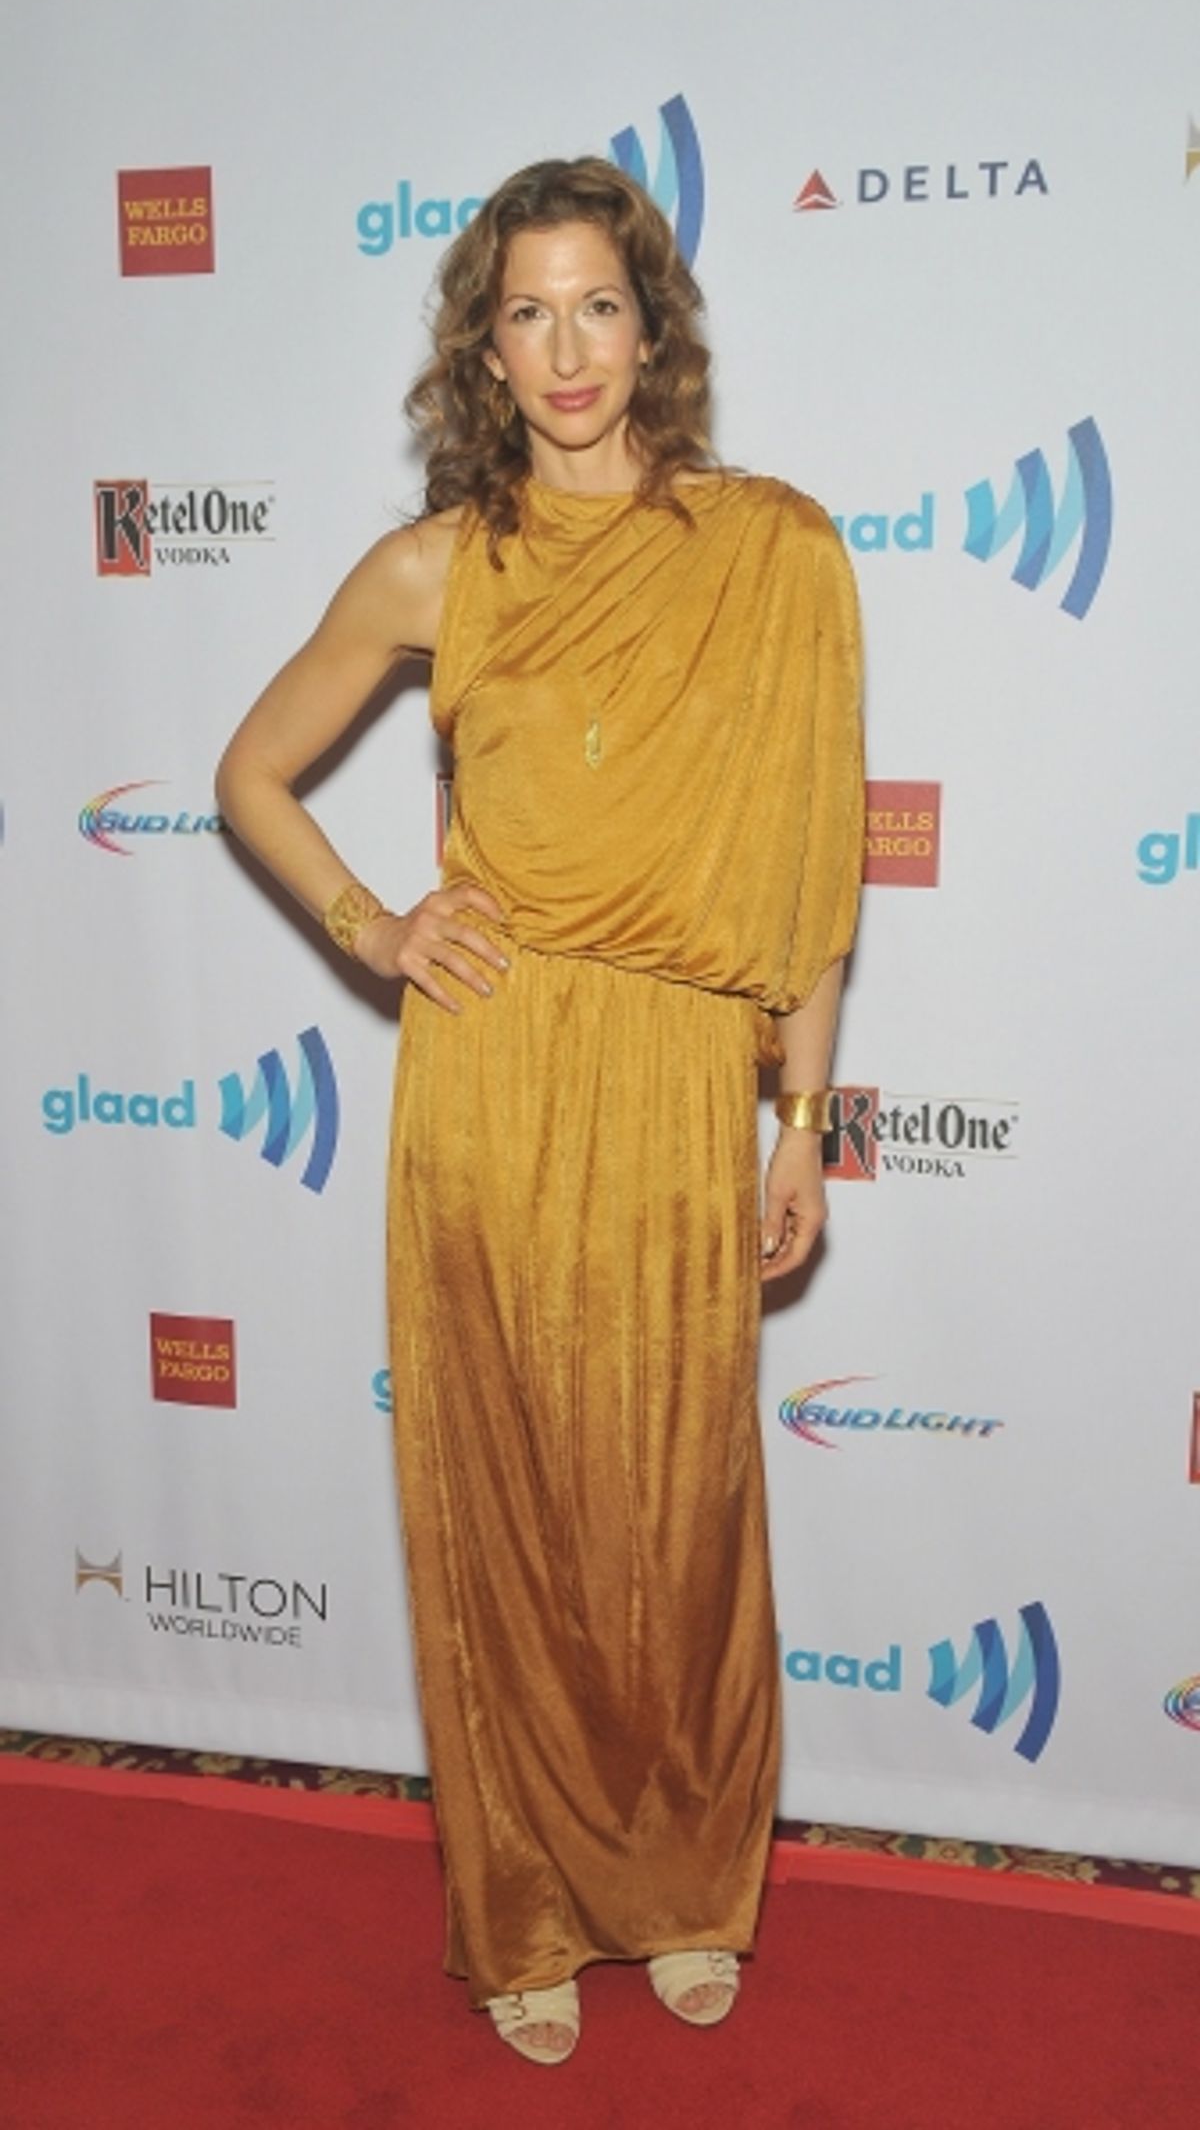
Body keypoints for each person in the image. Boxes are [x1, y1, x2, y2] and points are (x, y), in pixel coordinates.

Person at [215, 154, 863, 2068]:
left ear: (649, 328)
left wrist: (801, 1121)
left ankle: (672, 1886)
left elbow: (809, 876)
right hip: (493, 1089)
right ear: (481, 351)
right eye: (526, 313)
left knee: (672, 1517)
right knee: (502, 1512)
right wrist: (374, 926)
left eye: (598, 306)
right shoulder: (440, 565)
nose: (566, 348)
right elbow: (252, 771)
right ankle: (516, 1915)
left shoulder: (780, 551)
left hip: (679, 1082)